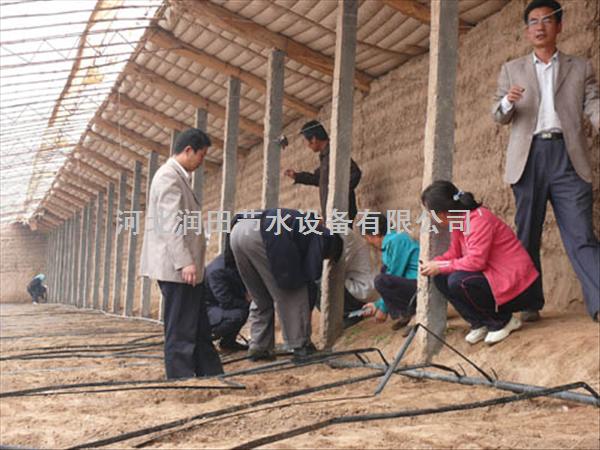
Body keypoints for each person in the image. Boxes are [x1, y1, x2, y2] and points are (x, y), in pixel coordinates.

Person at [492, 0, 599, 322]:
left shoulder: (580, 67)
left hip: (568, 156)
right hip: (528, 159)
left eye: (547, 20)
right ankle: (528, 305)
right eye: (534, 22)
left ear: (559, 26)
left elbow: (592, 103)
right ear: (527, 31)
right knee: (527, 234)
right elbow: (497, 115)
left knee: (581, 234)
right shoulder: (511, 69)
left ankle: (598, 303)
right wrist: (507, 103)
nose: (540, 27)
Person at [140, 128, 223, 379]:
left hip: (186, 270)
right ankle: (181, 377)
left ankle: (209, 372)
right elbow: (170, 223)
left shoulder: (178, 177)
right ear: (188, 150)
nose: (201, 161)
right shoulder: (168, 177)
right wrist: (185, 262)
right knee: (181, 326)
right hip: (177, 269)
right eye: (201, 155)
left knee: (198, 324)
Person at [420, 181, 542, 345]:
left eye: (431, 213)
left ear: (442, 213)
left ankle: (502, 321)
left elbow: (476, 262)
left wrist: (441, 266)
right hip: (493, 278)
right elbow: (454, 254)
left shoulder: (479, 220)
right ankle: (480, 322)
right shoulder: (458, 222)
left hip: (518, 286)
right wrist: (435, 263)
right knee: (440, 277)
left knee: (458, 280)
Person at [229, 208, 343, 361]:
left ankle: (259, 347)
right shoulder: (319, 239)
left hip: (238, 230)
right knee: (294, 292)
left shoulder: (302, 222)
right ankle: (301, 346)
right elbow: (310, 277)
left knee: (261, 297)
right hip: (265, 234)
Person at [284, 120, 362, 222]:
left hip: (340, 212)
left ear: (314, 139)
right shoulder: (326, 157)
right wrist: (297, 176)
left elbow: (355, 173)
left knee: (340, 237)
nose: (307, 145)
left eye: (306, 141)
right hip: (333, 214)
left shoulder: (334, 154)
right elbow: (318, 179)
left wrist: (339, 195)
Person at [359, 213, 420, 330]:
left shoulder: (396, 241)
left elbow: (394, 274)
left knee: (381, 280)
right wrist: (376, 305)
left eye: (367, 238)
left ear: (374, 235)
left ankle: (411, 314)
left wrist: (382, 308)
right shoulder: (392, 241)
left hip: (421, 285)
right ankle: (407, 313)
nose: (369, 242)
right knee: (383, 272)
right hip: (413, 284)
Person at [204, 253, 250, 352]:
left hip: (217, 304)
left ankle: (228, 342)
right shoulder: (218, 271)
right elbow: (226, 301)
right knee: (239, 314)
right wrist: (248, 302)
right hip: (208, 309)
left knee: (243, 309)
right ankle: (204, 340)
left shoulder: (232, 261)